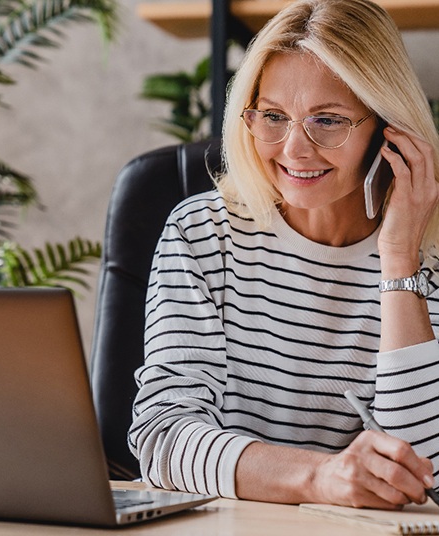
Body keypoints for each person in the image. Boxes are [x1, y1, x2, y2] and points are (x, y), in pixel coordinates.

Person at [128, 0, 439, 509]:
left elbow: (427, 477)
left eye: (328, 120)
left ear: (388, 130)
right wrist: (319, 477)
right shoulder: (203, 233)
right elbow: (163, 439)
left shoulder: (428, 256)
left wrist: (399, 258)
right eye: (273, 116)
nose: (294, 148)